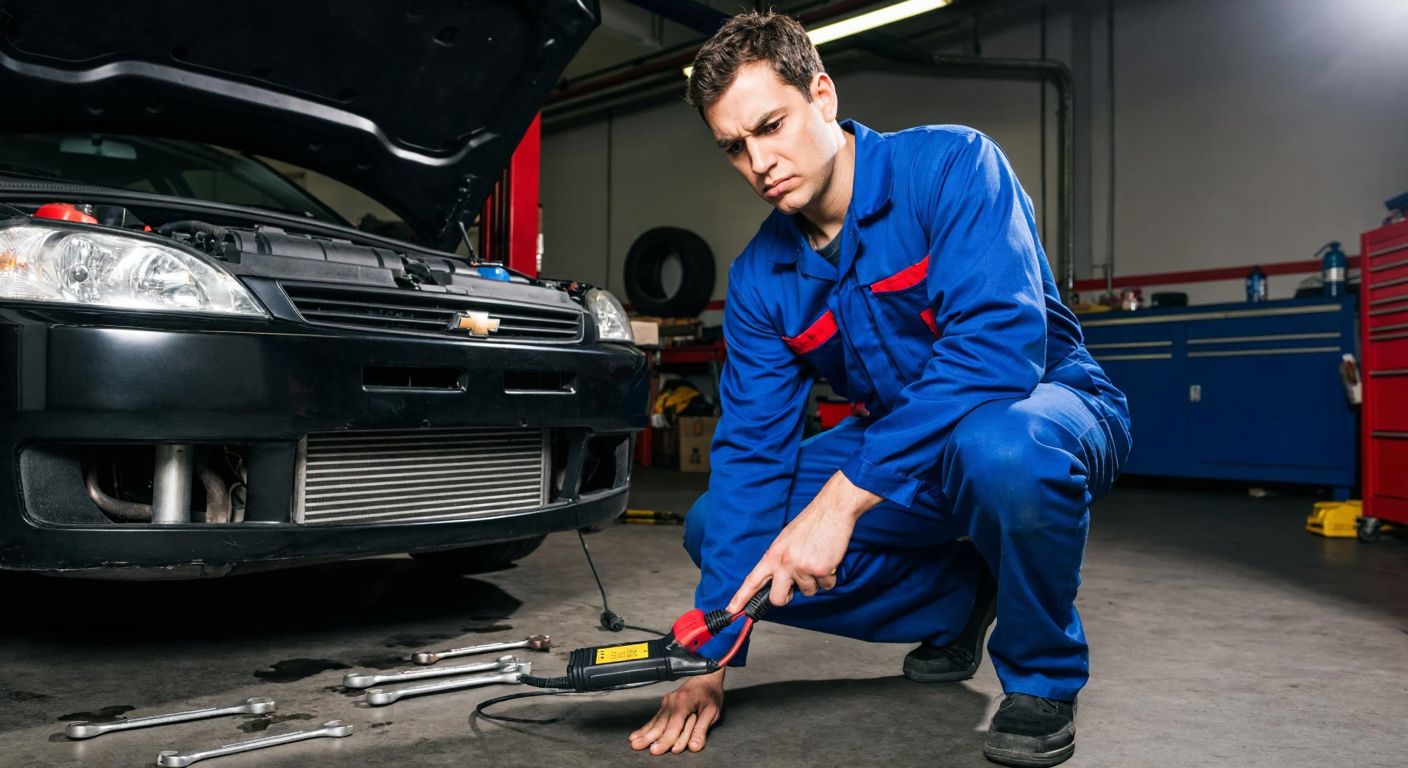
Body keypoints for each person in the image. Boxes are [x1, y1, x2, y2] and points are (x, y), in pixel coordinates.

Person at [627, 11, 1131, 767]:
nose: (760, 162)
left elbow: (1000, 349)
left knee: (998, 449)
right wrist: (712, 654)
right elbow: (751, 454)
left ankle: (1041, 676)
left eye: (772, 125)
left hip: (1042, 404)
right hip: (904, 443)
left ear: (822, 95)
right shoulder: (763, 277)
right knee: (719, 526)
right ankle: (961, 600)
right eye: (735, 146)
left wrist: (840, 502)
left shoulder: (953, 167)